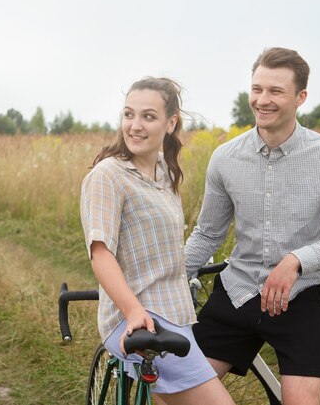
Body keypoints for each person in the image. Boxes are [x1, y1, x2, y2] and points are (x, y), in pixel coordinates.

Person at [185, 47, 320, 405]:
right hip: (238, 293)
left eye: (275, 91)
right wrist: (164, 278)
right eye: (257, 89)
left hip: (302, 297)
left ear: (300, 97)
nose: (262, 100)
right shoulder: (225, 158)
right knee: (176, 393)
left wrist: (298, 260)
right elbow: (208, 234)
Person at [80, 77, 234, 405]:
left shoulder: (165, 172)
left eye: (148, 116)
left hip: (175, 313)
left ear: (170, 123)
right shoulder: (108, 175)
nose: (135, 126)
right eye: (128, 114)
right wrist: (133, 311)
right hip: (139, 316)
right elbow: (100, 253)